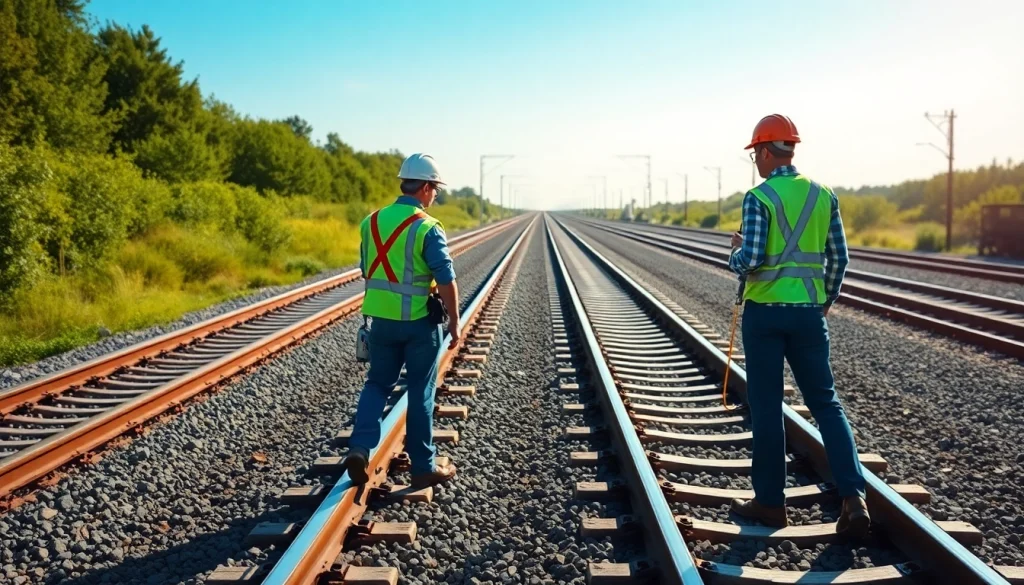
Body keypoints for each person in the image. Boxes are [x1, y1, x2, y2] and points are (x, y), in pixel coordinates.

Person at [728, 114, 870, 537]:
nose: (756, 161)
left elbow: (753, 258)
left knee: (767, 406)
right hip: (809, 314)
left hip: (765, 316)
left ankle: (771, 504)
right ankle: (854, 498)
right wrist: (824, 301)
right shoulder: (824, 195)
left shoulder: (759, 197)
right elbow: (839, 257)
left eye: (756, 153)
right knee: (826, 404)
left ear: (766, 151)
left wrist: (735, 253)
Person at [342, 153, 459, 489]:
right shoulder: (428, 227)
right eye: (436, 189)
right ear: (425, 187)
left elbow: (367, 269)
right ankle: (423, 467)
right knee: (420, 389)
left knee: (377, 384)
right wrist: (454, 320)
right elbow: (446, 278)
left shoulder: (371, 221)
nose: (435, 196)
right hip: (419, 322)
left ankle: (360, 448)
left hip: (381, 322)